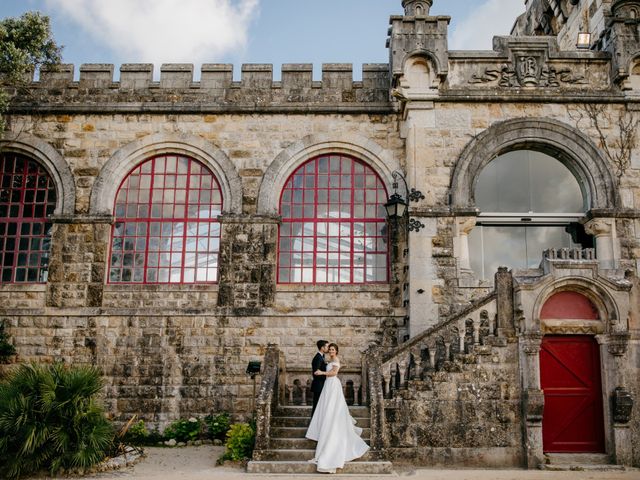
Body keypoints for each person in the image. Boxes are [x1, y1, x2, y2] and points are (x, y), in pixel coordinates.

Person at [305, 343, 369, 474]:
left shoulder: (335, 360)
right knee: (327, 408)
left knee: (332, 409)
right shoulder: (329, 360)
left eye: (333, 349)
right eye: (330, 349)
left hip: (333, 384)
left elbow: (334, 372)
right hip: (328, 385)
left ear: (337, 351)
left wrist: (322, 372)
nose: (331, 351)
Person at [311, 339, 329, 416]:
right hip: (319, 385)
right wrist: (326, 374)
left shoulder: (322, 356)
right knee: (317, 405)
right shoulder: (318, 357)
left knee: (320, 405)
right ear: (322, 347)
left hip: (321, 384)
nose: (328, 348)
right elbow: (316, 372)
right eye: (327, 346)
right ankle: (313, 424)